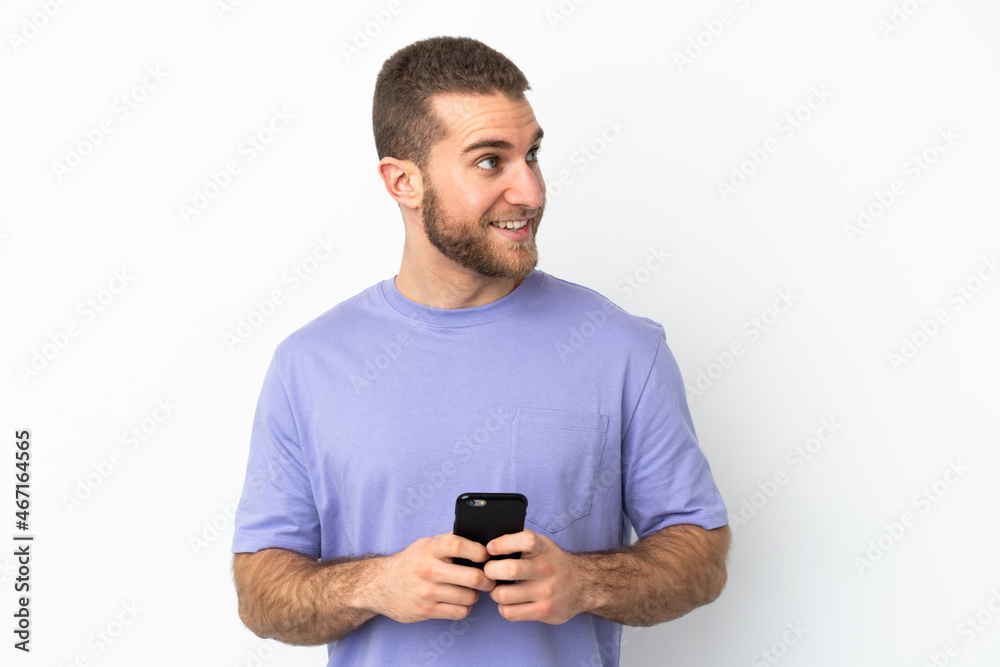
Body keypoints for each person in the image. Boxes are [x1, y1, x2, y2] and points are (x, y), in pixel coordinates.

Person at [231, 35, 730, 666]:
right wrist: (377, 585)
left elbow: (701, 556)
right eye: (491, 162)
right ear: (403, 181)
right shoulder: (309, 365)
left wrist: (584, 582)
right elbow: (261, 594)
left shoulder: (624, 349)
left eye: (533, 154)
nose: (530, 191)